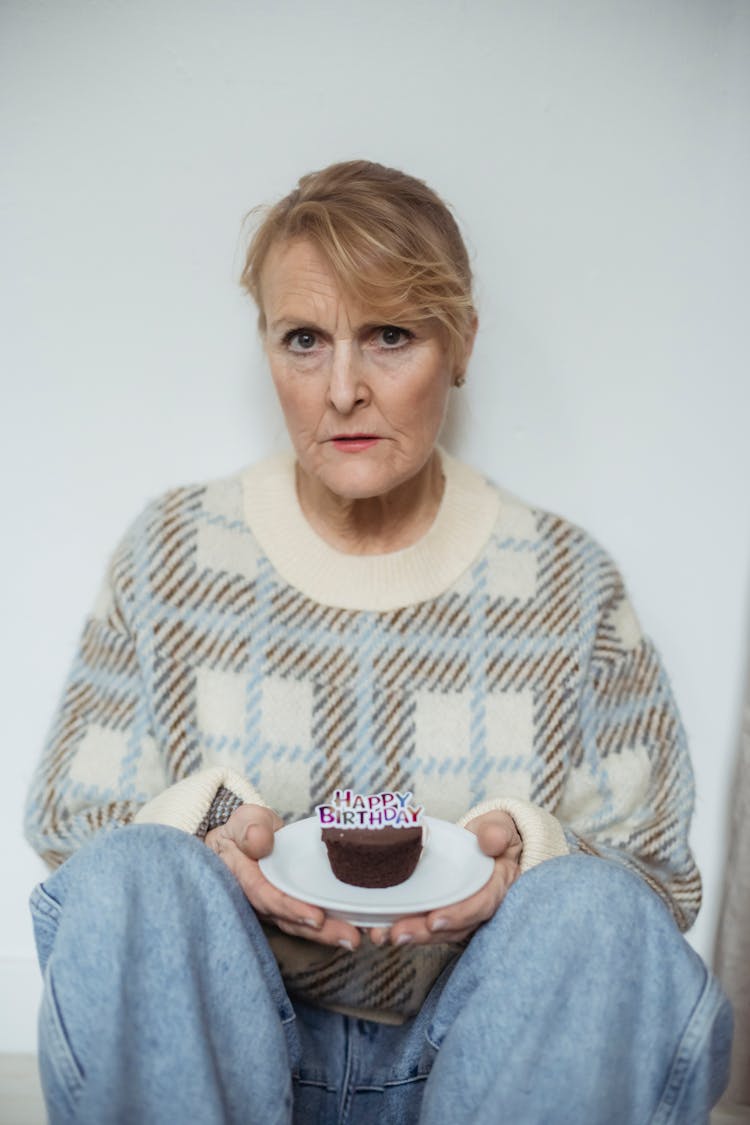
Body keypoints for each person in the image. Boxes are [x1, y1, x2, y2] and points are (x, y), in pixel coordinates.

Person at [25, 160, 732, 1124]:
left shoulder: (570, 582)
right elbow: (74, 831)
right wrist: (206, 824)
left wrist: (531, 852)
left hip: (490, 1064)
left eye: (390, 335)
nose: (343, 390)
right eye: (305, 340)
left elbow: (661, 879)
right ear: (265, 344)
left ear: (463, 343)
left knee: (597, 907)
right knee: (138, 870)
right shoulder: (173, 552)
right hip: (218, 1060)